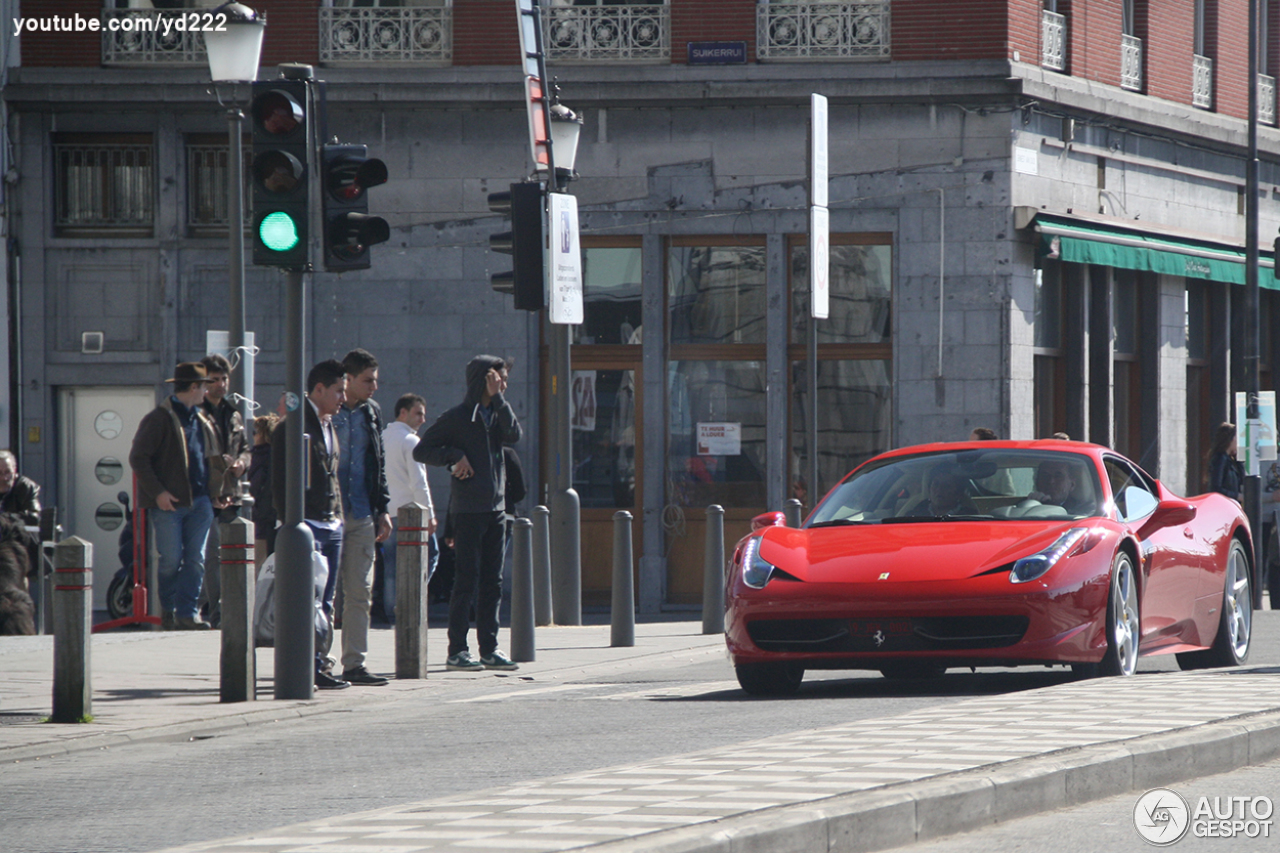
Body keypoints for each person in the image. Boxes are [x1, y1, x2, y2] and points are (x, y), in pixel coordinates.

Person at [415, 355, 522, 672]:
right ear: (483, 379)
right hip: (468, 512)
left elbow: (514, 434)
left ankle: (490, 649)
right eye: (498, 379)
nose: (503, 384)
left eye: (504, 379)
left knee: (493, 582)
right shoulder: (458, 417)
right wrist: (453, 457)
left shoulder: (497, 416)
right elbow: (422, 450)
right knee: (466, 582)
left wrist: (500, 399)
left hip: (497, 510)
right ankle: (457, 651)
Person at [128, 362, 226, 630]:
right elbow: (138, 458)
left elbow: (210, 462)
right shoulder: (158, 419)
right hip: (169, 505)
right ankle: (169, 610)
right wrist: (158, 492)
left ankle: (187, 613)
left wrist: (218, 493)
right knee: (170, 560)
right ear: (194, 387)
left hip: (201, 502)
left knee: (196, 560)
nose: (207, 392)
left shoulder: (201, 419)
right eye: (204, 386)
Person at [271, 359, 350, 690]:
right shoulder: (292, 427)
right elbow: (280, 482)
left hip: (332, 525)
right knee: (308, 602)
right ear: (319, 390)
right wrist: (292, 524)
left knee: (326, 603)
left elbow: (332, 477)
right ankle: (306, 667)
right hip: (308, 527)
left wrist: (341, 518)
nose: (343, 398)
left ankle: (319, 663)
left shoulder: (329, 424)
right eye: (338, 391)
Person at [326, 349, 392, 686]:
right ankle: (320, 662)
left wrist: (383, 508)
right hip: (330, 513)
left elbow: (377, 463)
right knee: (325, 592)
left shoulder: (372, 412)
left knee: (360, 591)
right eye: (368, 381)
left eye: (376, 381)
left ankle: (355, 663)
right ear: (347, 380)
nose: (374, 387)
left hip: (363, 510)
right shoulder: (327, 411)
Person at [198, 353, 252, 628]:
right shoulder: (197, 413)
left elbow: (244, 447)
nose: (221, 384)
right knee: (211, 556)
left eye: (224, 379)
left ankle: (229, 610)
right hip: (206, 495)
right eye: (215, 379)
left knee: (235, 554)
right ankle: (214, 612)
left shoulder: (233, 413)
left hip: (233, 493)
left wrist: (242, 463)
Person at [381, 393, 436, 626]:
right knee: (431, 555)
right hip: (410, 514)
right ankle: (409, 602)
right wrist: (430, 515)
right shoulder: (412, 441)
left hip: (387, 513)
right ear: (403, 412)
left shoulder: (382, 437)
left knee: (391, 567)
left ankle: (392, 613)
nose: (423, 419)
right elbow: (419, 482)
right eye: (418, 413)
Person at [247, 413, 279, 571]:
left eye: (255, 432)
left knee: (260, 565)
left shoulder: (265, 457)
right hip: (262, 518)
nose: (253, 436)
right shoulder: (258, 455)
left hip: (264, 520)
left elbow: (262, 488)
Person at [1027, 457, 1094, 515]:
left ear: (1072, 485)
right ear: (1037, 482)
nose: (1051, 481)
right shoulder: (1025, 506)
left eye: (1058, 476)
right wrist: (1031, 506)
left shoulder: (1085, 511)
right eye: (1045, 476)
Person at [0, 450, 42, 526]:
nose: (4, 478)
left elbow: (33, 517)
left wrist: (4, 519)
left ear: (15, 470)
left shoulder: (25, 487)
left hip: (17, 534)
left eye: (8, 472)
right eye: (0, 473)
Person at [1206, 422, 1245, 502]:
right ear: (1231, 439)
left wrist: (1238, 459)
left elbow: (1242, 479)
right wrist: (1236, 495)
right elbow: (1215, 488)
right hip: (1224, 504)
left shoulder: (1230, 460)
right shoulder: (1220, 459)